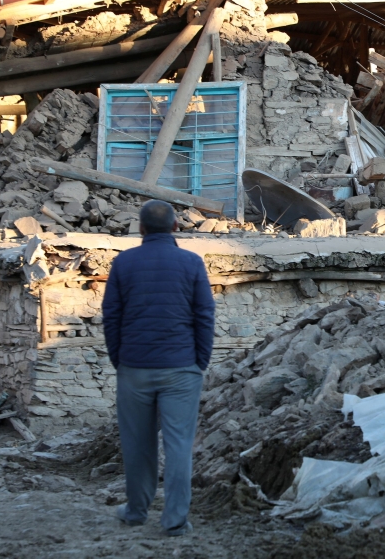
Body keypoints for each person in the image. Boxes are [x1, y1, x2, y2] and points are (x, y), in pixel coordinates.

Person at [101, 199, 215, 536]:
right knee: (179, 445)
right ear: (176, 228)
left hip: (134, 368)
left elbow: (112, 317)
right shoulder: (192, 263)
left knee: (137, 443)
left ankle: (136, 510)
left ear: (141, 228)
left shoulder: (123, 263)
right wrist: (200, 361)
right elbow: (204, 315)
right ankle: (175, 520)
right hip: (181, 368)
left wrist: (119, 359)